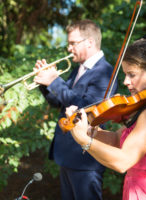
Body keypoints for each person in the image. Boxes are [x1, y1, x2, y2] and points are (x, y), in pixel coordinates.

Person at [65, 35, 146, 200]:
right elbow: (117, 138)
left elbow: (122, 162)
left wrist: (84, 141)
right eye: (125, 74)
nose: (126, 82)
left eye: (132, 74)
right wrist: (86, 130)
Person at [33, 19, 118, 200]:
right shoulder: (79, 69)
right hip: (68, 155)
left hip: (85, 158)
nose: (69, 48)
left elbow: (88, 109)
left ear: (89, 42)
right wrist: (44, 83)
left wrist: (54, 81)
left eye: (73, 43)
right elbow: (59, 103)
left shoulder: (105, 72)